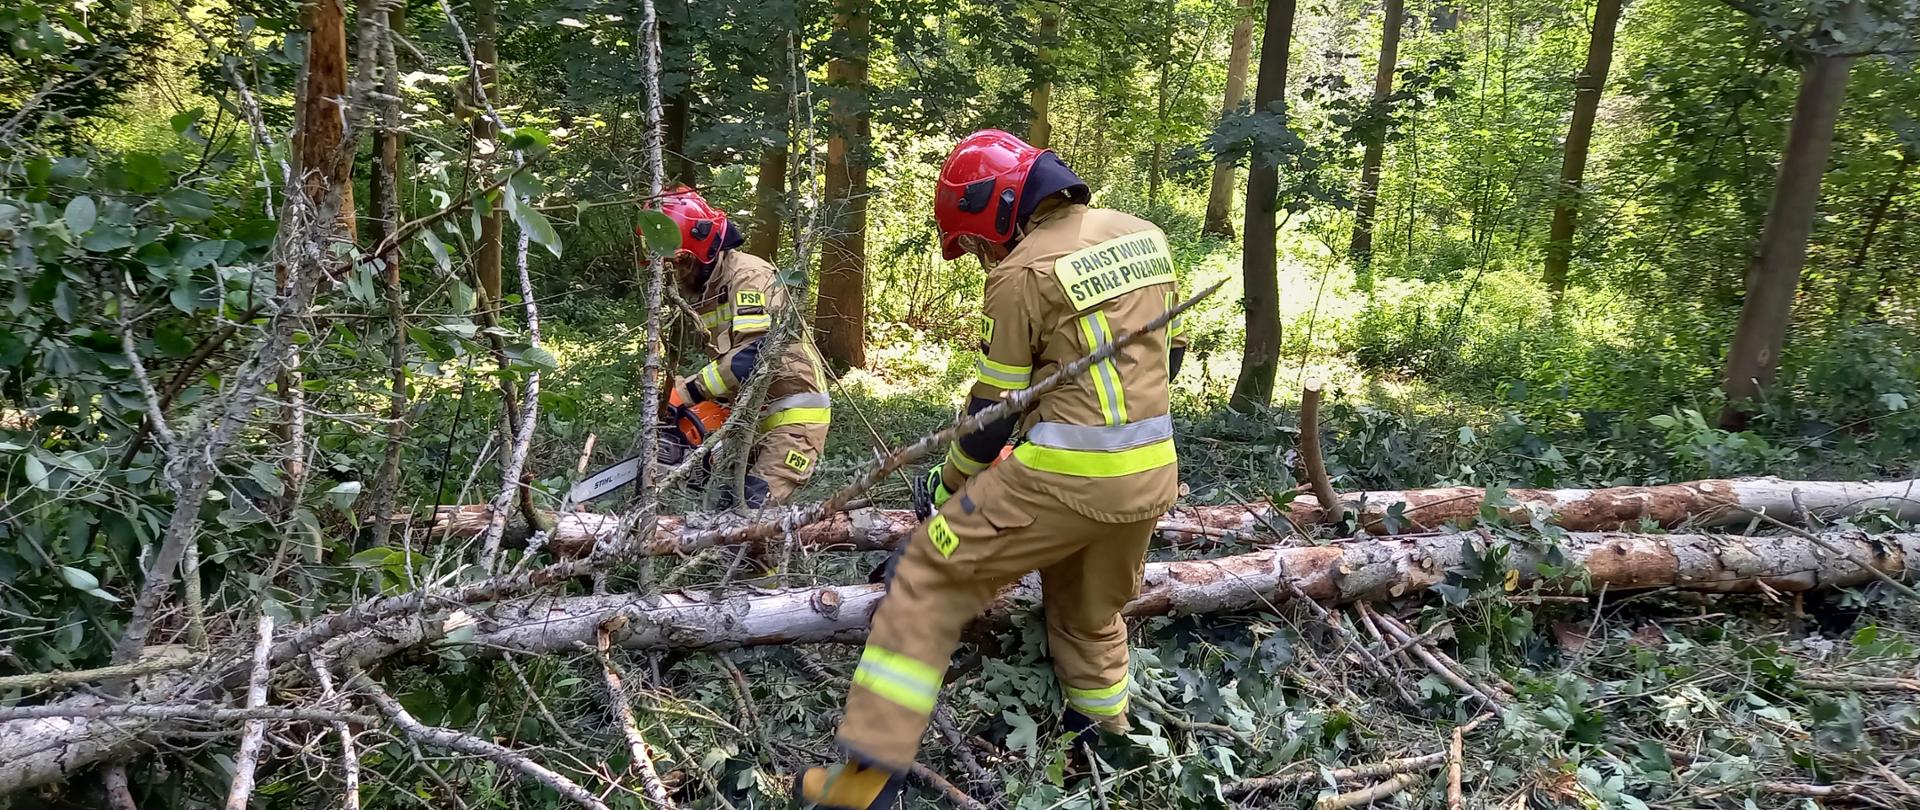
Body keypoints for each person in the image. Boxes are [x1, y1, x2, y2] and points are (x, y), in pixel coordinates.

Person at [796, 130, 1188, 808]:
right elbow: (1168, 356)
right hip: (1150, 475)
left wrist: (946, 487)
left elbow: (993, 412)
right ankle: (1104, 769)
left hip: (1062, 480)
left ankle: (857, 790)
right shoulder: (1141, 235)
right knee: (1090, 620)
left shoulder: (1021, 272)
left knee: (921, 584)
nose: (980, 259)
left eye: (975, 245)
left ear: (993, 213)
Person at [656, 186, 831, 510]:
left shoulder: (749, 277)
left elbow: (756, 354)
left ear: (701, 248)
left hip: (793, 418)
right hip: (748, 420)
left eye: (679, 264)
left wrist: (688, 392)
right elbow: (729, 364)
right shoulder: (710, 290)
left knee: (750, 518)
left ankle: (774, 559)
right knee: (722, 513)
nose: (676, 275)